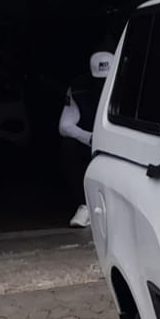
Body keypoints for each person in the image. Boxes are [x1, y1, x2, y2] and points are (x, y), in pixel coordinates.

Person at [59, 50, 113, 228]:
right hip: (90, 141)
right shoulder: (79, 88)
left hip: (120, 141)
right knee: (68, 146)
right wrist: (89, 138)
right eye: (100, 81)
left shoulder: (130, 85)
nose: (104, 85)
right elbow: (65, 126)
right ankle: (85, 205)